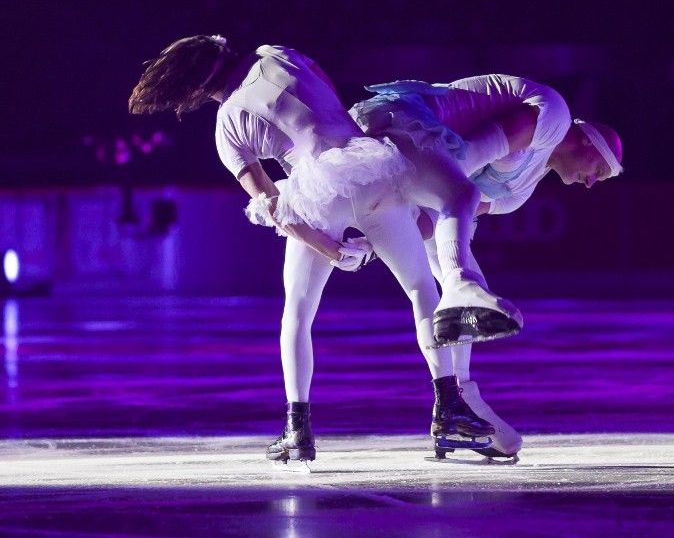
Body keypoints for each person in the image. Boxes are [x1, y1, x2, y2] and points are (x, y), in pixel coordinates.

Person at [128, 36, 503, 463]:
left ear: (193, 89)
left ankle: (297, 428)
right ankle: (449, 409)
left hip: (316, 194)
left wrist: (327, 247)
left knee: (299, 310)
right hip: (372, 168)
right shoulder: (276, 53)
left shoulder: (227, 124)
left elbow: (271, 205)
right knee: (421, 289)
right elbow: (329, 92)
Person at [349, 74, 623, 458]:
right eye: (599, 170)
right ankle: (458, 400)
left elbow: (436, 215)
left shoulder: (523, 187)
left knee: (452, 295)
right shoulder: (555, 116)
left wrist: (379, 243)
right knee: (459, 288)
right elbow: (466, 160)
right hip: (402, 126)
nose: (593, 183)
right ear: (585, 141)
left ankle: (457, 404)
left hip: (419, 174)